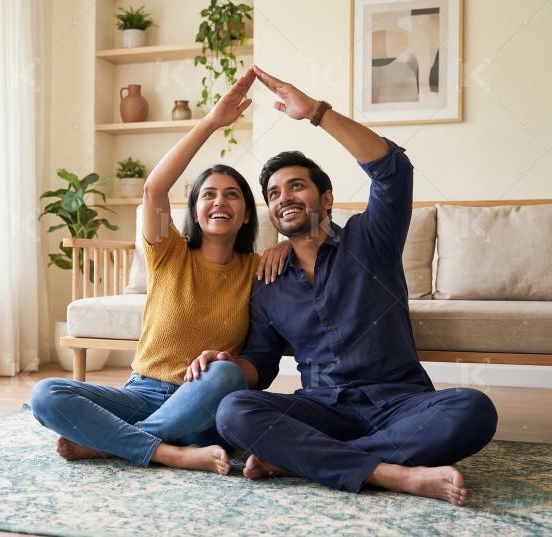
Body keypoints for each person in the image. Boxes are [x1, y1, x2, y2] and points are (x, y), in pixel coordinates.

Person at [186, 65, 498, 505]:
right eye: (274, 194)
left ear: (326, 198)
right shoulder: (268, 279)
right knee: (234, 410)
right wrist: (227, 365)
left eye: (297, 186)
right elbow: (263, 361)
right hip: (323, 410)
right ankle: (392, 472)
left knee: (473, 410)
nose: (284, 198)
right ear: (271, 213)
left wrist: (316, 112)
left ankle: (303, 460)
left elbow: (393, 170)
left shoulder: (371, 238)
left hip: (399, 402)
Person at [30, 68, 288, 474]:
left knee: (225, 375)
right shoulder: (168, 251)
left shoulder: (257, 270)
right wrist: (212, 122)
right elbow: (154, 189)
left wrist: (289, 242)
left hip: (202, 400)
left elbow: (321, 244)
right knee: (46, 393)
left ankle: (112, 444)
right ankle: (169, 451)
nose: (219, 201)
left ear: (245, 216)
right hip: (142, 393)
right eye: (208, 194)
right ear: (196, 211)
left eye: (232, 195)